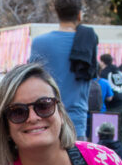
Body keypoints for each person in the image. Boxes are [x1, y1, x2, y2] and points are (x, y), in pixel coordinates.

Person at [29, 0, 96, 138]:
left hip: (45, 116)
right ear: (79, 15)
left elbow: (32, 80)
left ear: (57, 13)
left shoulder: (39, 43)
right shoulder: (89, 41)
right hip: (77, 118)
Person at [101, 53, 122, 144]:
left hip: (115, 104)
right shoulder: (119, 71)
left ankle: (113, 149)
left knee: (112, 130)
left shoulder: (104, 72)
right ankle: (120, 149)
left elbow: (105, 89)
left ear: (102, 62)